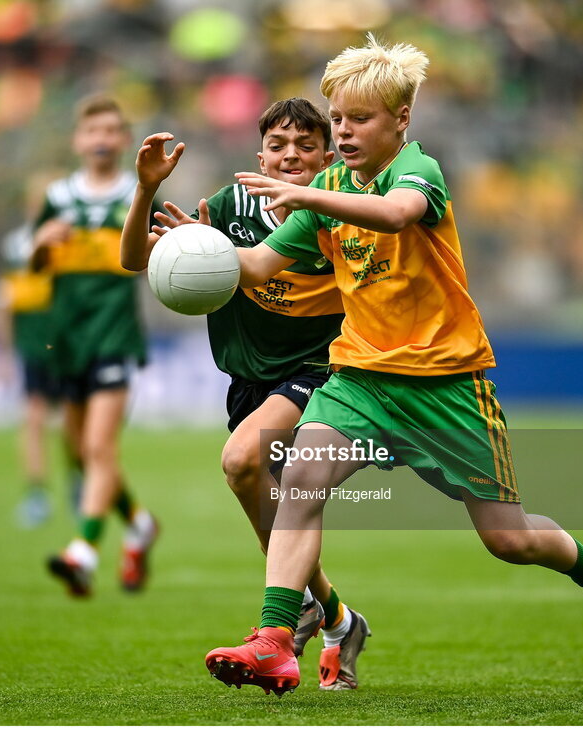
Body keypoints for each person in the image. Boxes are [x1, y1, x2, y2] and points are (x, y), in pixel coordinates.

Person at [203, 35, 583, 696]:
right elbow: (256, 264)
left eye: (359, 119)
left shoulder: (418, 169)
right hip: (360, 381)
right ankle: (277, 639)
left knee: (509, 539)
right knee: (301, 476)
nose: (345, 130)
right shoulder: (329, 187)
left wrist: (307, 199)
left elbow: (395, 214)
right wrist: (196, 250)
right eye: (338, 118)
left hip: (446, 388)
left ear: (400, 121)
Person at [121, 98, 369, 688]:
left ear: (326, 156)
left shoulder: (338, 213)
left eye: (306, 147)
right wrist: (143, 191)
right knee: (272, 503)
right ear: (259, 156)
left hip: (323, 372)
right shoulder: (228, 208)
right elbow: (134, 260)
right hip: (249, 382)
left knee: (240, 459)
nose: (291, 157)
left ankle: (283, 622)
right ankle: (333, 616)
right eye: (279, 146)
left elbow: (259, 267)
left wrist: (211, 250)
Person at [32, 94, 157, 596]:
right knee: (82, 454)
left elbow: (158, 259)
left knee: (99, 447)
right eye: (92, 131)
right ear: (78, 141)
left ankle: (82, 552)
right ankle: (140, 524)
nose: (101, 139)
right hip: (67, 337)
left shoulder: (136, 192)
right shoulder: (58, 197)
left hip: (114, 334)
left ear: (124, 139)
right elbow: (36, 266)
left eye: (111, 130)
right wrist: (42, 243)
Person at [0, 209, 61, 528]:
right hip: (33, 345)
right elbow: (3, 299)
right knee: (33, 418)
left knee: (73, 425)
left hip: (66, 342)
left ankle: (80, 482)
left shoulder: (69, 239)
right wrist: (2, 353)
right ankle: (36, 494)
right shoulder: (14, 245)